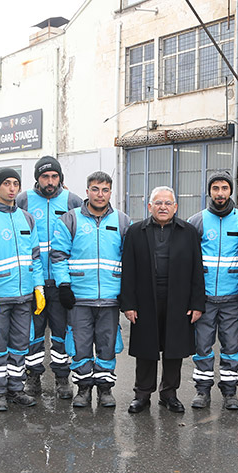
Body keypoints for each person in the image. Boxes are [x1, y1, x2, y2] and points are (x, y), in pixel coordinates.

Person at [50, 171, 130, 408]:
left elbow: (130, 259)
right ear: (87, 191)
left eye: (105, 190)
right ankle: (83, 389)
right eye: (95, 189)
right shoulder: (69, 220)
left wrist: (126, 290)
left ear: (110, 192)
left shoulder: (123, 221)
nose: (100, 194)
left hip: (110, 298)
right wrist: (64, 285)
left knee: (107, 345)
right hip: (79, 298)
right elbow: (58, 256)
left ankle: (105, 389)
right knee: (80, 345)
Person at [122, 187, 205, 414]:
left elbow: (197, 270)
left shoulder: (188, 232)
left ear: (176, 207)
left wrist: (197, 304)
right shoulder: (136, 232)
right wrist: (128, 304)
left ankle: (169, 394)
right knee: (146, 349)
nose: (163, 207)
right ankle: (142, 394)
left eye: (168, 203)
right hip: (145, 298)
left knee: (174, 349)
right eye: (158, 203)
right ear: (149, 207)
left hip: (178, 299)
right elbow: (127, 269)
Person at [0, 168, 45, 411]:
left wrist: (39, 288)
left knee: (19, 345)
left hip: (24, 297)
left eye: (16, 183)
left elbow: (35, 258)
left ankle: (16, 388)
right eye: (7, 183)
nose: (12, 188)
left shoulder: (27, 218)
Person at [16, 156, 83, 399]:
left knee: (60, 331)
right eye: (45, 176)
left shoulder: (72, 201)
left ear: (60, 178)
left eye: (54, 176)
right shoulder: (23, 200)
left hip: (59, 282)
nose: (50, 181)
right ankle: (32, 375)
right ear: (37, 178)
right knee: (32, 333)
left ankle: (62, 377)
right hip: (32, 281)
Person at [187, 171, 238, 410]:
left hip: (232, 298)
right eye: (215, 188)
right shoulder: (197, 221)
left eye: (224, 188)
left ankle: (230, 391)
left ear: (231, 191)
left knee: (232, 346)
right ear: (209, 191)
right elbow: (188, 262)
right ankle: (202, 390)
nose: (220, 193)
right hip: (205, 299)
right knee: (202, 345)